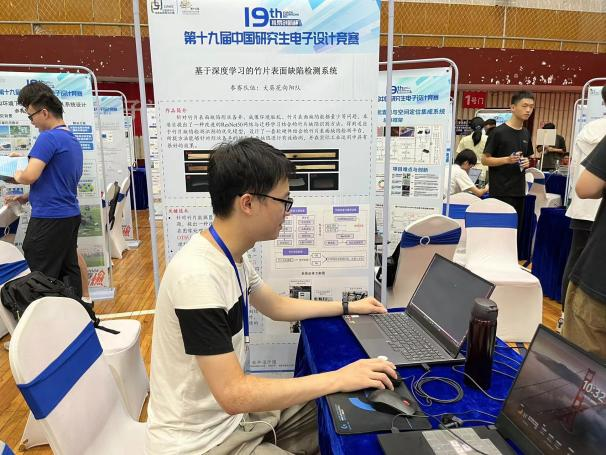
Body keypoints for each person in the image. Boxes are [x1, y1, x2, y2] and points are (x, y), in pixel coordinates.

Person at [146, 138, 396, 455]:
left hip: (235, 423)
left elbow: (275, 305)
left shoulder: (230, 257)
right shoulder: (197, 277)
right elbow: (234, 394)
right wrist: (338, 377)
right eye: (283, 201)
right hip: (202, 444)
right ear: (248, 203)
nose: (287, 212)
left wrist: (348, 306)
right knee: (339, 393)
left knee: (343, 405)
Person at [5, 82, 83, 297]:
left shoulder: (48, 137)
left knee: (39, 279)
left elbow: (30, 176)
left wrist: (17, 172)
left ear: (45, 112)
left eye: (31, 116)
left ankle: (45, 317)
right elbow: (57, 181)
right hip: (68, 217)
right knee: (68, 272)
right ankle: (75, 312)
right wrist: (26, 197)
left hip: (49, 220)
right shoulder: (70, 139)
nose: (31, 122)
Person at [560, 86, 606, 332]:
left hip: (584, 207)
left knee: (577, 261)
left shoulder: (589, 129)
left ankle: (564, 314)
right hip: (592, 208)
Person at [482, 91, 533, 237]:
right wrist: (506, 160)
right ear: (513, 107)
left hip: (519, 190)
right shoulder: (498, 132)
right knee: (499, 232)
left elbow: (527, 157)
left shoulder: (526, 133)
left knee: (515, 232)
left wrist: (527, 162)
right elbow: (485, 159)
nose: (528, 110)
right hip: (501, 191)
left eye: (531, 107)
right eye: (524, 106)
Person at [455, 116, 488, 183]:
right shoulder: (488, 139)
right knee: (481, 189)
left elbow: (458, 157)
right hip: (483, 172)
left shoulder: (464, 139)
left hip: (466, 171)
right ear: (483, 127)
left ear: (471, 127)